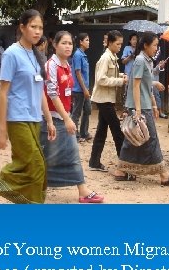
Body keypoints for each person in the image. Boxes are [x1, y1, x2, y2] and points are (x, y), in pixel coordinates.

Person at [0, 10, 56, 204]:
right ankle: (4, 198)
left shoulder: (37, 56)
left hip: (34, 119)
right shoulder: (12, 53)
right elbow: (3, 93)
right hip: (17, 118)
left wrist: (49, 119)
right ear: (22, 27)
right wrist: (2, 129)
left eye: (40, 28)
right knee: (36, 165)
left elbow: (40, 92)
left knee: (29, 166)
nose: (37, 31)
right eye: (33, 26)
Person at [40, 31, 103, 203]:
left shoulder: (66, 64)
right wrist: (67, 119)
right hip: (52, 119)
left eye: (70, 43)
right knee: (47, 156)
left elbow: (66, 93)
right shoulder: (50, 65)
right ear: (55, 45)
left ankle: (80, 190)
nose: (68, 46)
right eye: (64, 43)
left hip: (61, 117)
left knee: (64, 153)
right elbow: (52, 94)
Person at [113, 32, 169, 185]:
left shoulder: (147, 60)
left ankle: (121, 170)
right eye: (154, 45)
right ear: (145, 45)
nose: (157, 48)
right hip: (139, 107)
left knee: (134, 138)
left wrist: (154, 103)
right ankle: (164, 174)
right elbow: (135, 85)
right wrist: (138, 110)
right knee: (151, 138)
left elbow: (145, 85)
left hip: (144, 105)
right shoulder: (141, 60)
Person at [89, 30, 127, 172]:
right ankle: (124, 163)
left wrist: (122, 76)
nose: (120, 47)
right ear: (110, 43)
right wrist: (119, 81)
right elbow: (101, 79)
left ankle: (94, 162)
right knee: (117, 130)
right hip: (103, 99)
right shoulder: (106, 58)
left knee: (101, 131)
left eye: (121, 44)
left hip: (107, 99)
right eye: (117, 44)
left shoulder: (113, 57)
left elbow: (111, 75)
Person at [71, 32, 92, 142]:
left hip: (85, 88)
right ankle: (74, 135)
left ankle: (84, 132)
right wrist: (84, 89)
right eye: (87, 40)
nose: (89, 42)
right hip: (79, 89)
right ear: (81, 42)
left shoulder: (83, 54)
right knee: (76, 112)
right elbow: (78, 73)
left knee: (88, 110)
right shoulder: (78, 55)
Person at [151, 52, 168, 119]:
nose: (155, 48)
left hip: (155, 78)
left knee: (156, 95)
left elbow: (156, 71)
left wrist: (160, 66)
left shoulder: (158, 53)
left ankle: (160, 112)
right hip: (149, 79)